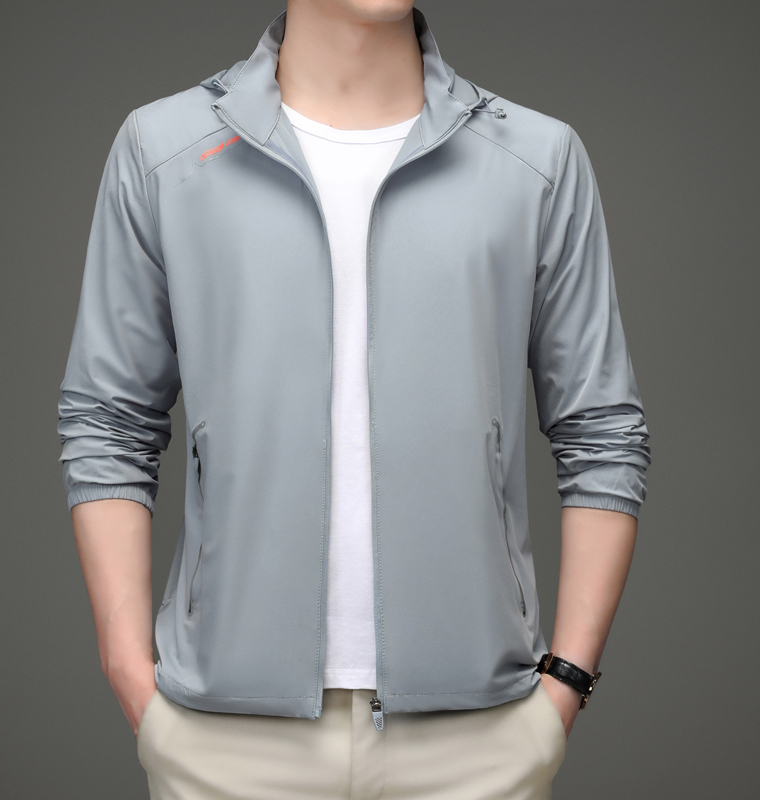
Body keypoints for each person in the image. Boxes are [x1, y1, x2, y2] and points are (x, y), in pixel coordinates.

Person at [57, 2, 651, 798]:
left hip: (480, 744)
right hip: (223, 744)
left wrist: (563, 688)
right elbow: (109, 420)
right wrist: (131, 672)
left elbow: (602, 431)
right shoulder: (165, 151)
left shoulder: (536, 160)